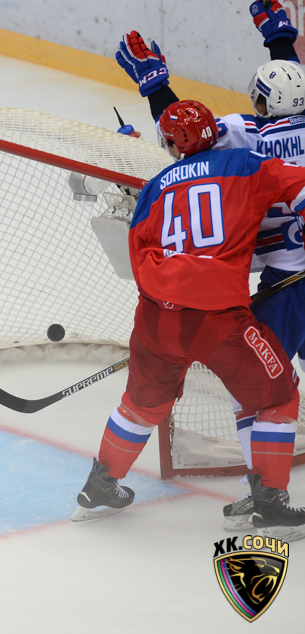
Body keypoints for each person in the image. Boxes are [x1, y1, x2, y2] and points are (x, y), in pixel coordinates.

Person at [72, 100, 305, 542]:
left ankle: (100, 486)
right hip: (219, 319)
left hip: (155, 318)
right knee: (277, 397)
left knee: (141, 404)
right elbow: (300, 184)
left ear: (169, 144)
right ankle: (270, 505)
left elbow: (136, 254)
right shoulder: (246, 164)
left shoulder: (155, 186)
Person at [116, 0, 305, 530]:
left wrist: (155, 86)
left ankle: (262, 493)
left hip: (284, 283)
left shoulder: (249, 137)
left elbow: (191, 140)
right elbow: (293, 91)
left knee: (257, 390)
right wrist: (280, 39)